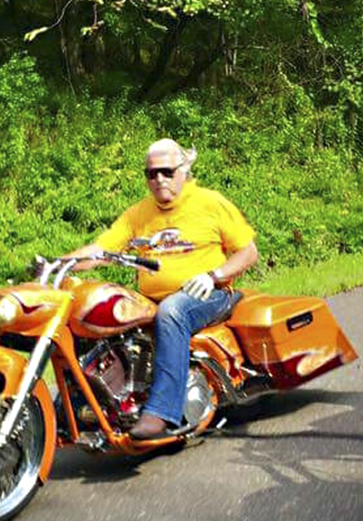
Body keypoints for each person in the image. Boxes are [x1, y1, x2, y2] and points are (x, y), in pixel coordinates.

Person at [66, 138, 259, 438]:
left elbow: (248, 252)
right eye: (151, 174)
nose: (159, 180)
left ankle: (162, 412)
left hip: (208, 294)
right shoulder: (138, 213)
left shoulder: (210, 202)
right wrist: (58, 264)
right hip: (150, 298)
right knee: (89, 310)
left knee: (172, 311)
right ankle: (81, 404)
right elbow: (101, 250)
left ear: (184, 170)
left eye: (167, 172)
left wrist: (213, 275)